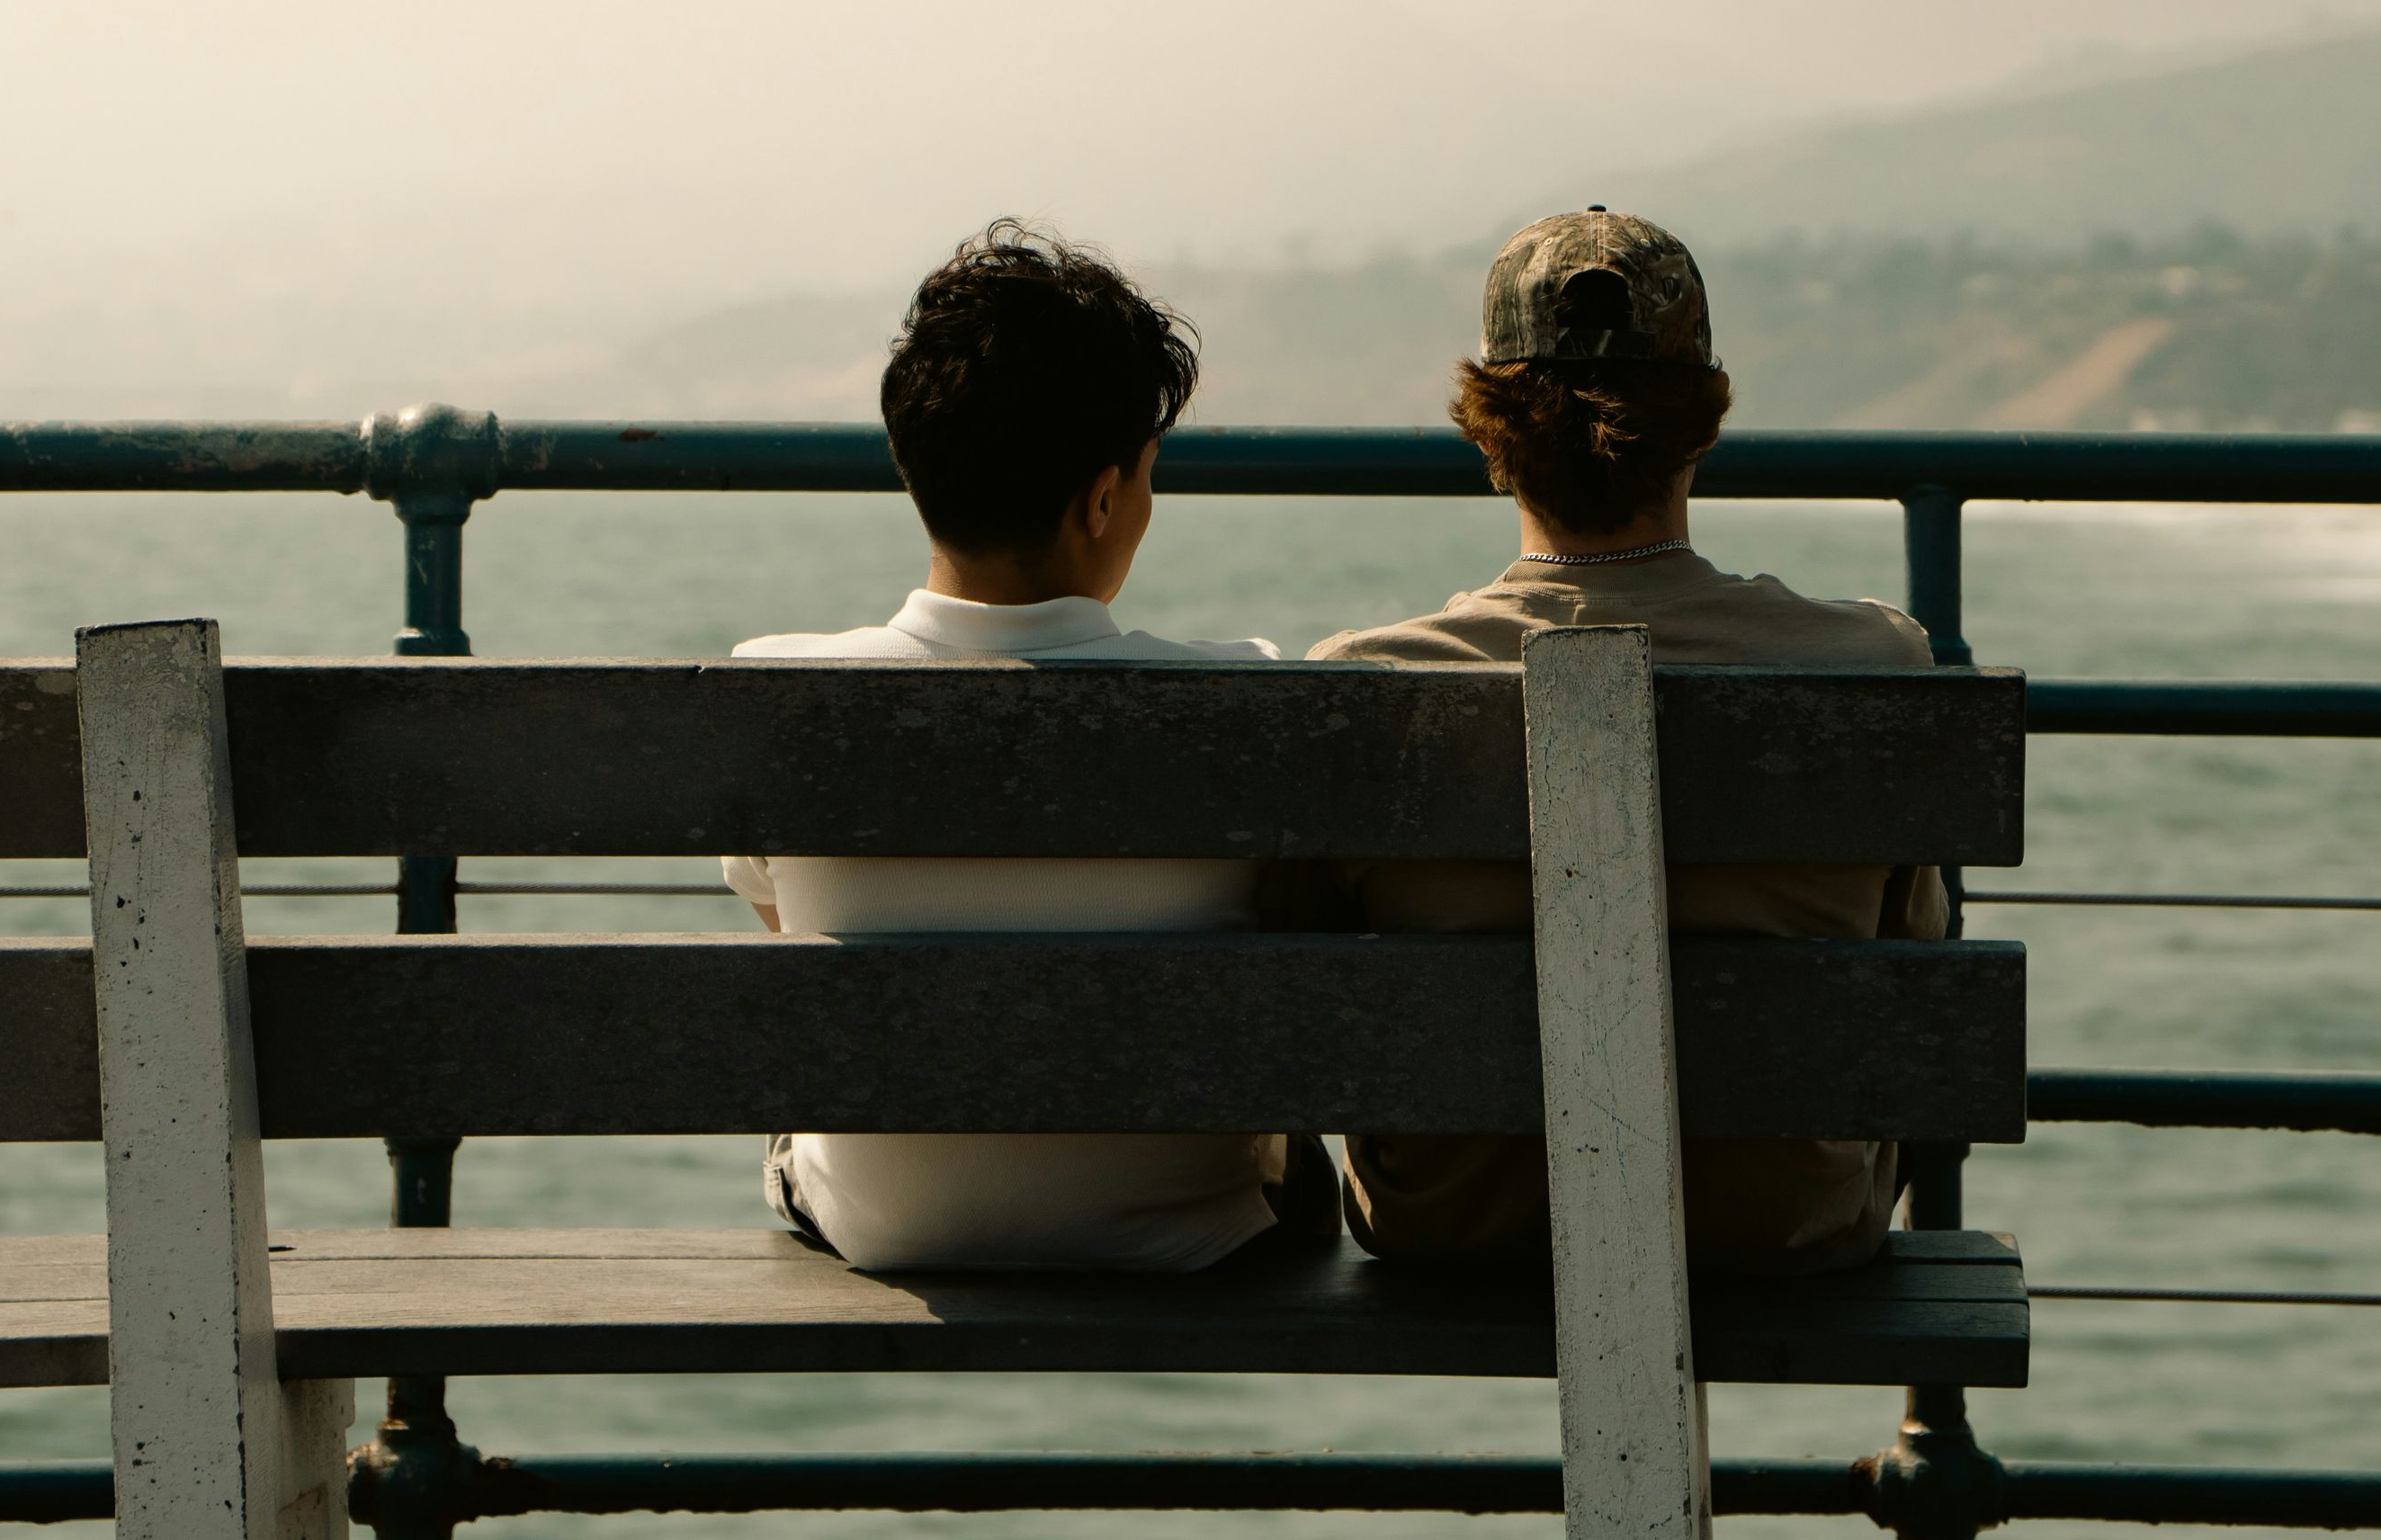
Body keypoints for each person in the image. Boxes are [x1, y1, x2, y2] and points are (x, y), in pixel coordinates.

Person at [1311, 206, 1947, 1277]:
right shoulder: (1877, 662)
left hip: (1455, 1228)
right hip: (1779, 1227)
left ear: (1487, 433)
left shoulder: (1360, 686)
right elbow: (1915, 971)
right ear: (1703, 424)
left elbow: (1312, 988)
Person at [720, 221, 1335, 1271]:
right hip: (1196, 1239)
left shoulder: (774, 693)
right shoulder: (1249, 696)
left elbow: (790, 928)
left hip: (885, 1233)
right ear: (1104, 498)